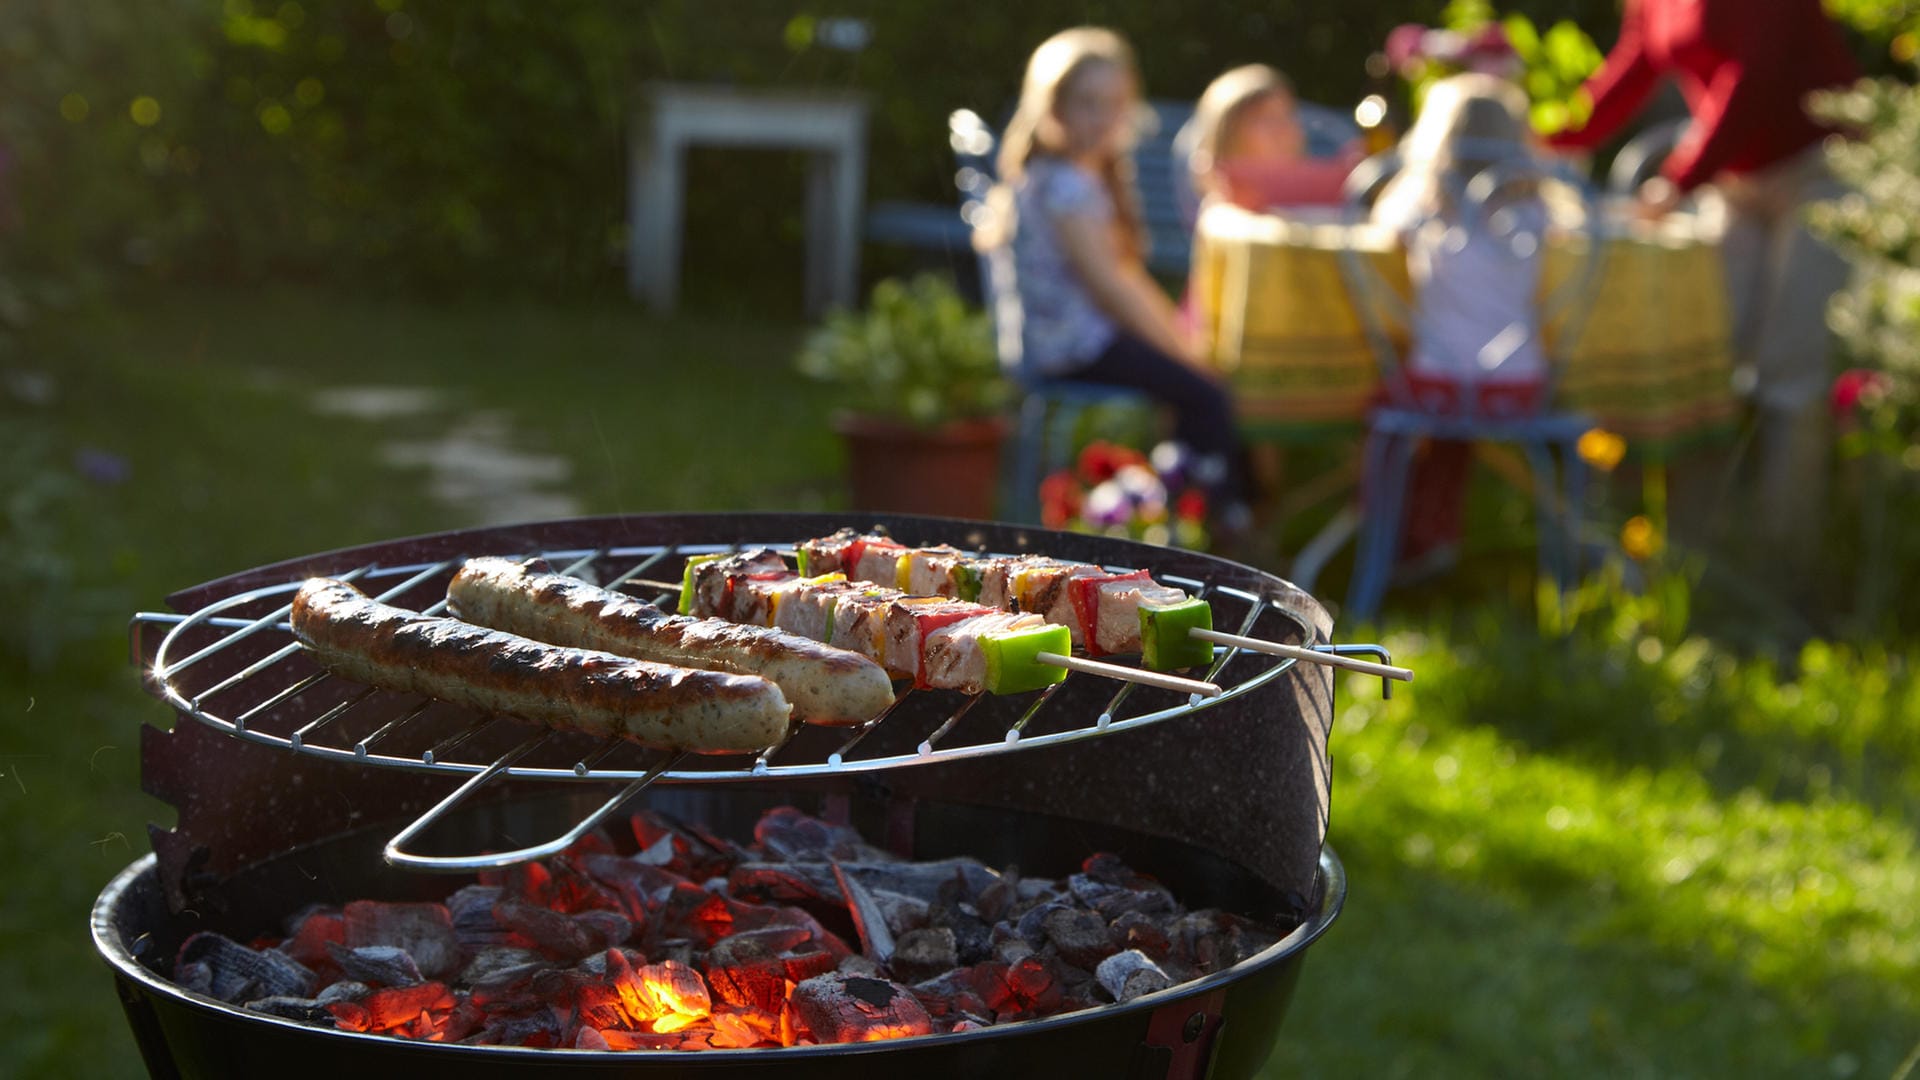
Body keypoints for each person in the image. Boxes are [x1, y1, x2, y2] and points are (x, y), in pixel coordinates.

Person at [1546, 0, 1860, 560]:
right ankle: (1704, 547)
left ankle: (1785, 555)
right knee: (1708, 359)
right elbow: (1634, 64)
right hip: (1735, 182)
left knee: (1791, 370)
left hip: (1819, 169)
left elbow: (1756, 74)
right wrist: (1548, 136)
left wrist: (1679, 180)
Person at [974, 27, 1251, 534]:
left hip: (1067, 343)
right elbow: (1114, 289)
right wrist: (1185, 352)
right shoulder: (1066, 187)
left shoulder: (1063, 175)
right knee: (1205, 395)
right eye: (1087, 103)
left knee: (1193, 383)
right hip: (1072, 349)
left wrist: (1179, 344)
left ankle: (1178, 512)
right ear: (1051, 107)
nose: (1102, 118)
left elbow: (1124, 279)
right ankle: (1208, 525)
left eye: (1115, 103)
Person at [1371, 74, 1552, 569]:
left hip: (1438, 382)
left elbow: (1376, 230)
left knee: (1379, 403)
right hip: (1517, 385)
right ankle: (1434, 532)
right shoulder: (1536, 208)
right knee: (1454, 428)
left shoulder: (1421, 207)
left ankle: (1383, 526)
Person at [1184, 63, 1363, 213]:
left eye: (1288, 115)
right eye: (1266, 119)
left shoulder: (1306, 193)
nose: (1284, 129)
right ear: (1226, 136)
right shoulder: (1225, 205)